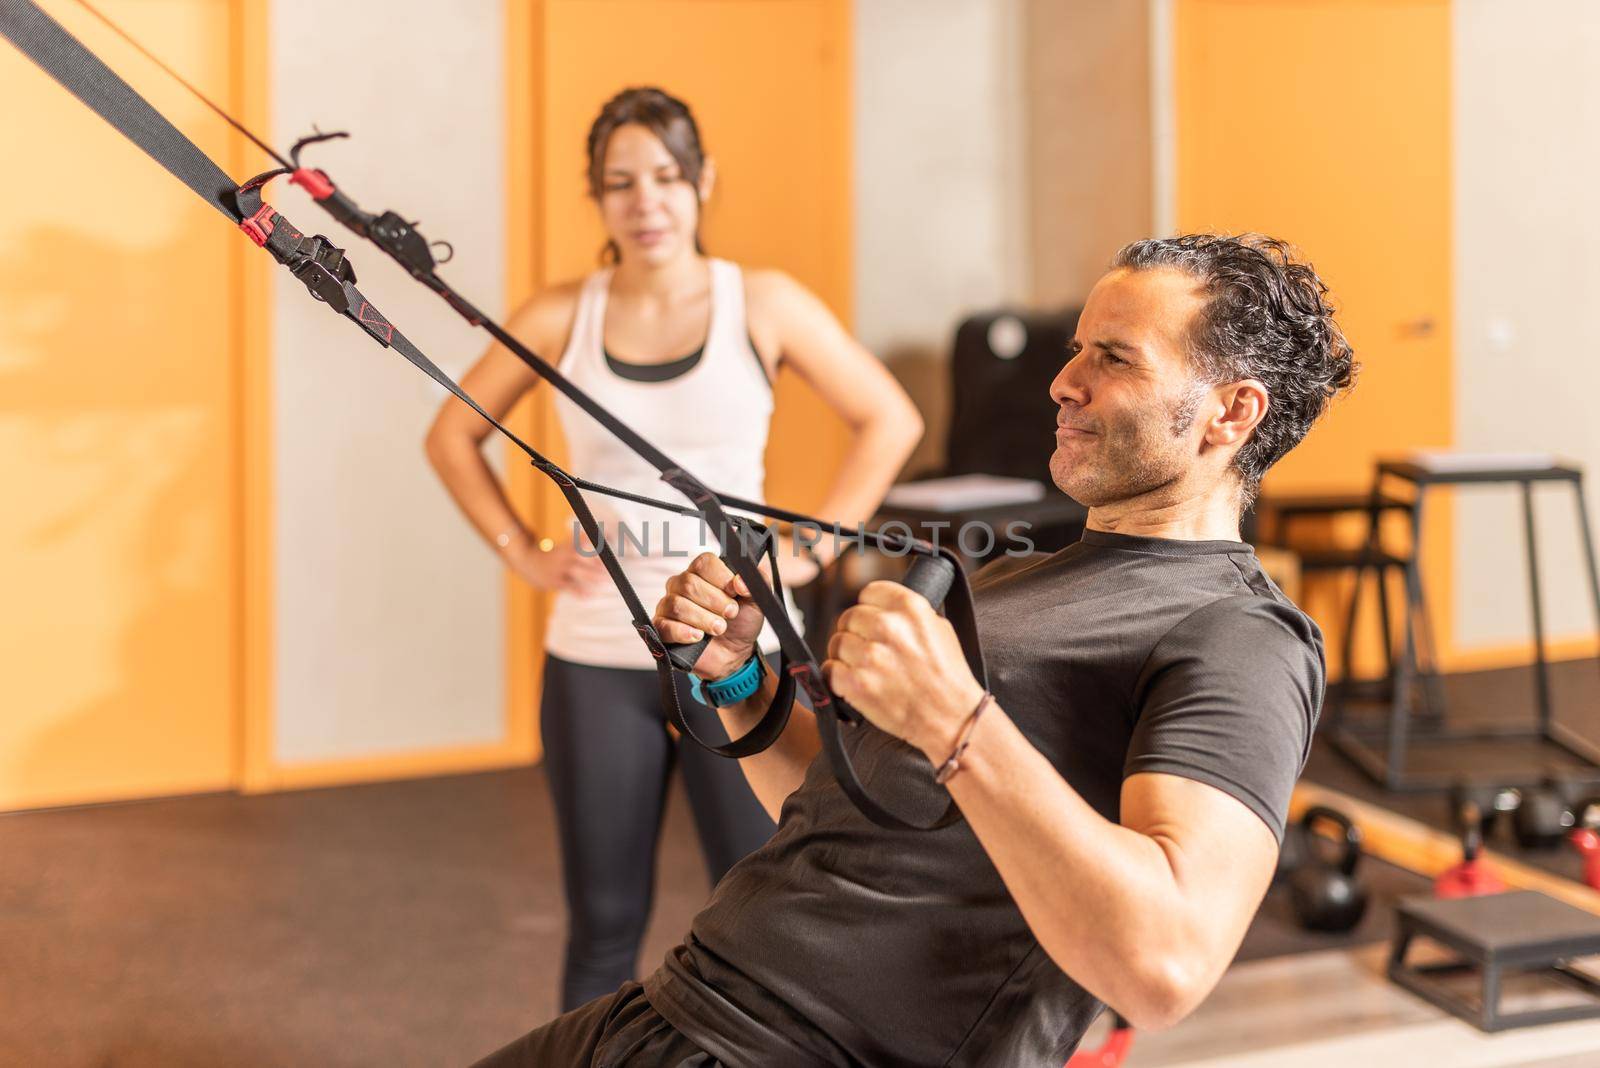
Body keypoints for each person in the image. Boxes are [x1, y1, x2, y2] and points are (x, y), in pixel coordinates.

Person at [468, 232, 1358, 1066]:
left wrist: (954, 719)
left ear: (1231, 413)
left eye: (1115, 358)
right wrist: (740, 675)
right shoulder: (1027, 582)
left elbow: (1166, 962)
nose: (1064, 382)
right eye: (1077, 349)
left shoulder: (1242, 634)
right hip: (675, 1011)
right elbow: (843, 803)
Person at [425, 86, 924, 1012]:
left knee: (759, 911)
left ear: (702, 183)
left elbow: (889, 417)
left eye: (665, 176)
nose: (644, 201)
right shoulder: (558, 315)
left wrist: (808, 553)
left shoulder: (762, 302)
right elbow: (451, 435)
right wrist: (525, 552)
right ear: (598, 199)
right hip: (598, 655)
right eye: (619, 183)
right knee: (603, 924)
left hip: (733, 653)